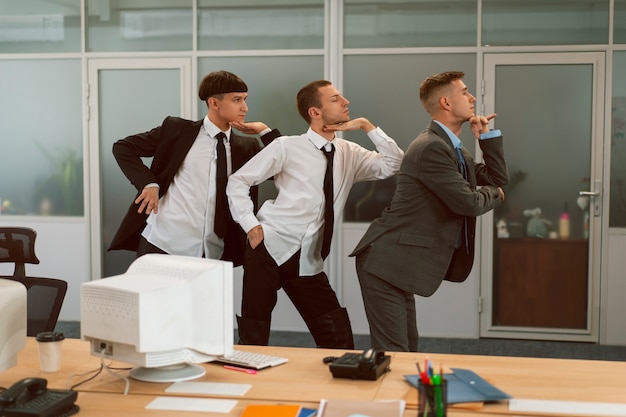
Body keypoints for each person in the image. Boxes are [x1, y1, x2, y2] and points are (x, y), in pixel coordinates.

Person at [226, 80, 404, 348]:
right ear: (315, 112)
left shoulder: (349, 153)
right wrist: (251, 225)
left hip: (308, 259)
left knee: (338, 340)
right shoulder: (287, 146)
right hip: (267, 247)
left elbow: (394, 163)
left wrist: (367, 126)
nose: (346, 102)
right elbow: (237, 182)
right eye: (335, 99)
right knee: (254, 336)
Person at [350, 71, 509, 352]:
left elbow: (497, 179)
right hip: (384, 262)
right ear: (446, 102)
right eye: (465, 92)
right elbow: (469, 202)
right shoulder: (431, 148)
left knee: (407, 349)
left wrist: (486, 137)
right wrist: (494, 195)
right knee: (395, 352)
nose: (472, 98)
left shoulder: (452, 148)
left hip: (401, 263)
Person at [109, 70, 281, 267]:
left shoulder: (246, 148)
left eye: (244, 99)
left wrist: (264, 132)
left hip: (212, 254)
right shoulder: (177, 131)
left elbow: (282, 170)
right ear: (214, 103)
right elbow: (123, 147)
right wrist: (149, 183)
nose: (245, 107)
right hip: (162, 246)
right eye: (237, 100)